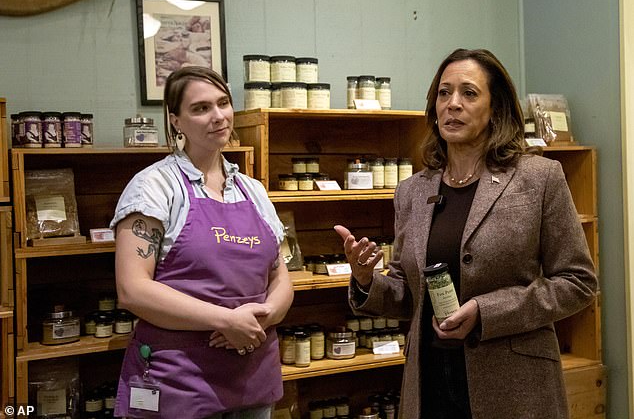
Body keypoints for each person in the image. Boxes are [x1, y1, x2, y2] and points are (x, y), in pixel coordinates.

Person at [335, 48, 597, 419]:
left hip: (515, 389)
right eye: (444, 93)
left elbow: (578, 282)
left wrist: (486, 312)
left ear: (496, 109)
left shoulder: (538, 178)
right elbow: (408, 295)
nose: (452, 104)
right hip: (430, 387)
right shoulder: (411, 191)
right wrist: (365, 281)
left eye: (469, 93)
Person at [112, 66, 294, 418]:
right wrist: (226, 321)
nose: (218, 116)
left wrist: (264, 316)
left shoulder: (253, 191)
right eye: (200, 108)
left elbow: (280, 274)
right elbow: (132, 289)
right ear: (176, 120)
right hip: (180, 380)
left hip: (251, 377)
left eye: (223, 103)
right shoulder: (154, 187)